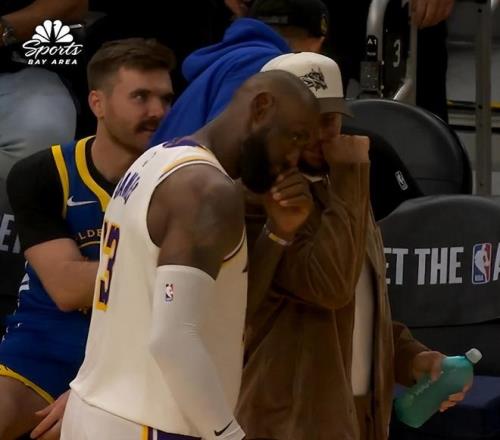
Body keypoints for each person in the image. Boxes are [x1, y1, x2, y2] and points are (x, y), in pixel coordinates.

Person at [60, 70, 319, 440]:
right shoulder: (207, 191)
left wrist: (278, 233)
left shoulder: (155, 159)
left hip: (96, 411)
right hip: (149, 423)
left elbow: (224, 312)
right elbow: (173, 339)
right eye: (294, 137)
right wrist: (227, 434)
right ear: (261, 108)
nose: (294, 158)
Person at [236, 52, 468, 440]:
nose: (321, 134)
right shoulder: (257, 199)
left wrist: (412, 358)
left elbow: (358, 309)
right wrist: (351, 177)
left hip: (358, 417)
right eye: (305, 121)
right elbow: (329, 287)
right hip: (286, 425)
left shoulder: (341, 188)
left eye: (330, 119)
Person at [0, 38, 175, 440]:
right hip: (46, 344)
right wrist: (163, 270)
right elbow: (66, 289)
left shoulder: (184, 178)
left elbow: (181, 302)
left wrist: (96, 391)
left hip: (138, 353)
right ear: (98, 103)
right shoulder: (44, 173)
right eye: (140, 97)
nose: (157, 112)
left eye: (165, 99)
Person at [0, 0, 87, 337]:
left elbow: (73, 5)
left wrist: (6, 28)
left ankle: (12, 295)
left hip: (28, 66)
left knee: (41, 130)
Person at [149, 0, 329, 144]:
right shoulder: (264, 64)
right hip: (186, 176)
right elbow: (228, 150)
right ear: (317, 44)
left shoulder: (230, 59)